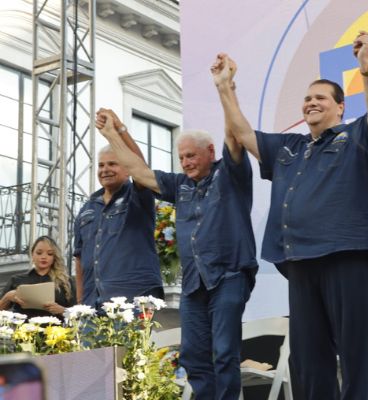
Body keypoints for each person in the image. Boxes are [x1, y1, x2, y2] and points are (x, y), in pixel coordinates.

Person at [211, 30, 368, 398]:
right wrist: (225, 87)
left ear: (340, 107)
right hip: (300, 260)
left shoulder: (356, 135)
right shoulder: (289, 145)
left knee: (353, 353)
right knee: (309, 357)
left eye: (320, 97)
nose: (311, 102)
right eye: (307, 98)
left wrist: (367, 65)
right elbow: (243, 133)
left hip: (346, 254)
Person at [96, 108, 258, 399]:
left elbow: (235, 135)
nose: (185, 163)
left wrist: (224, 89)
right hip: (194, 284)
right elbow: (139, 171)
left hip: (229, 275)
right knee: (193, 356)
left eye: (191, 156)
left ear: (210, 152)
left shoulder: (230, 174)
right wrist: (113, 133)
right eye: (181, 158)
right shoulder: (180, 184)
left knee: (223, 352)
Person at [73, 130, 164, 308]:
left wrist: (120, 131)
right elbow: (79, 258)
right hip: (92, 302)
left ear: (128, 169)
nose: (105, 170)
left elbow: (142, 169)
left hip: (133, 296)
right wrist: (80, 302)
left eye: (112, 164)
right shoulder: (87, 208)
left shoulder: (137, 196)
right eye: (101, 165)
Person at [0, 236, 76, 319]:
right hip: (23, 329)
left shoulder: (65, 282)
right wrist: (8, 297)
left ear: (54, 257)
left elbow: (77, 317)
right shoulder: (17, 279)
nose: (44, 257)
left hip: (56, 330)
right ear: (32, 255)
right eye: (39, 253)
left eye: (49, 254)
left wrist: (62, 310)